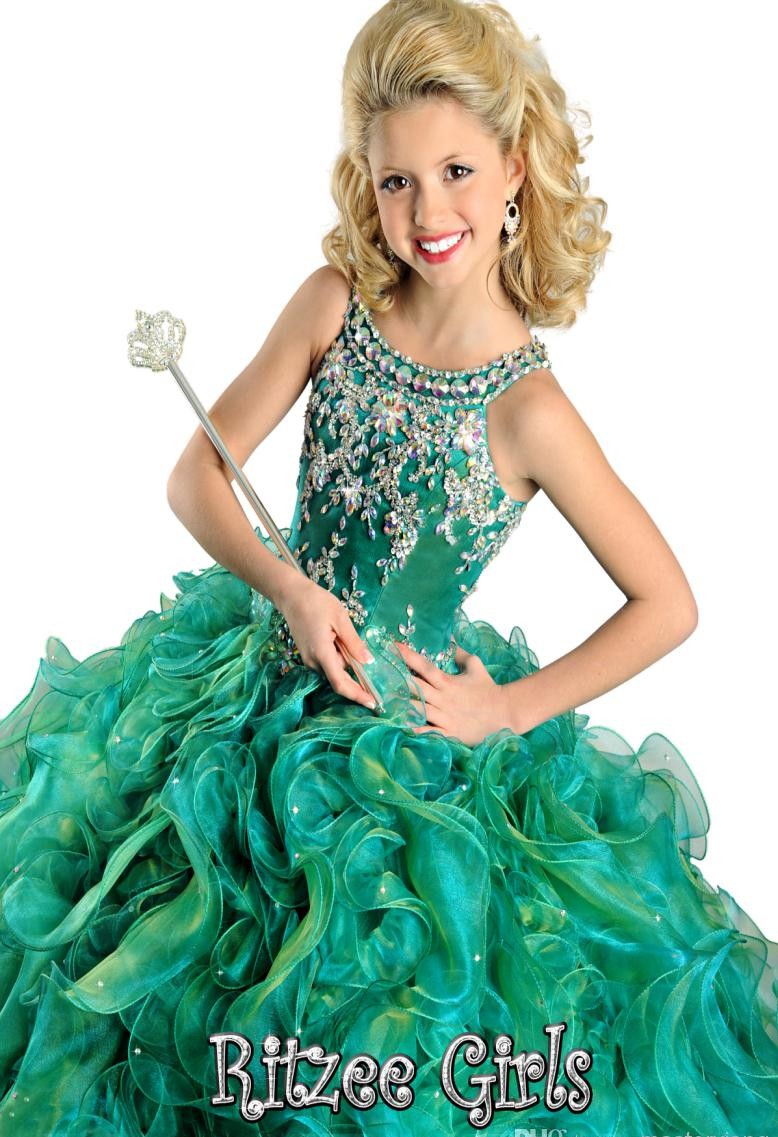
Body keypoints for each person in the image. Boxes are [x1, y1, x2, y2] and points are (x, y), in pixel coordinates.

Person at [1, 0, 776, 1133]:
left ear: (515, 171)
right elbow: (195, 478)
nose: (428, 212)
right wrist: (289, 587)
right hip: (242, 700)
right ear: (365, 183)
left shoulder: (529, 409)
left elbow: (668, 602)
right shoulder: (333, 306)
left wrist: (509, 707)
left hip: (401, 749)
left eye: (457, 172)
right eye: (397, 181)